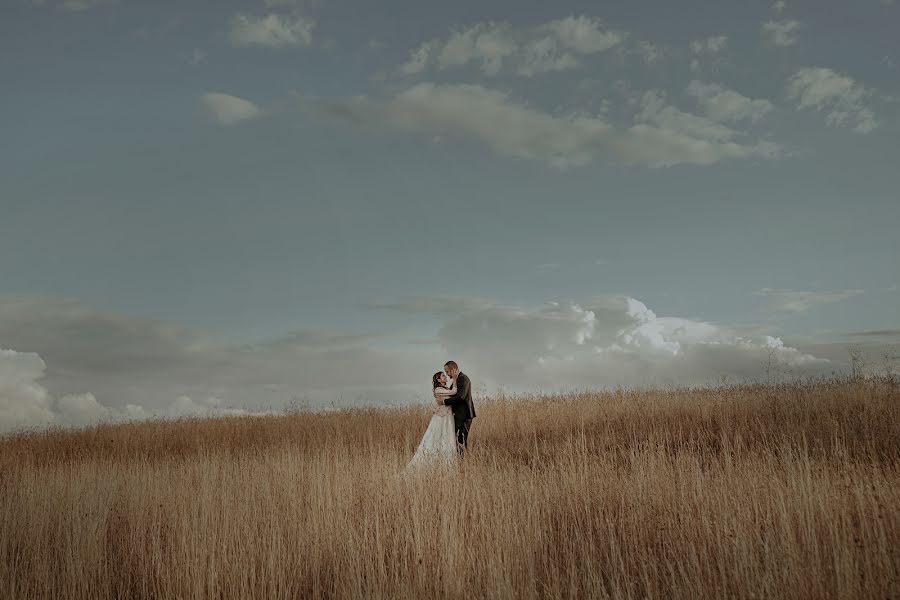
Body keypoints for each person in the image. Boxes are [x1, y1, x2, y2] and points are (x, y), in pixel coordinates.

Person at [406, 371, 458, 469]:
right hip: (441, 418)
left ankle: (446, 464)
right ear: (438, 380)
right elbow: (454, 392)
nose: (445, 376)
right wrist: (455, 379)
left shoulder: (445, 388)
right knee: (437, 439)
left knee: (447, 439)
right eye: (443, 376)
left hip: (448, 417)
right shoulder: (438, 390)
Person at [436, 360, 476, 456]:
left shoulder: (463, 379)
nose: (447, 374)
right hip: (458, 416)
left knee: (461, 440)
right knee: (457, 441)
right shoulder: (456, 380)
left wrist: (444, 402)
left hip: (464, 416)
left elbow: (461, 397)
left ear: (453, 369)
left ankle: (462, 465)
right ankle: (459, 463)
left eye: (447, 372)